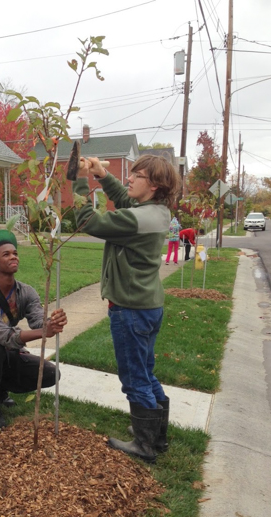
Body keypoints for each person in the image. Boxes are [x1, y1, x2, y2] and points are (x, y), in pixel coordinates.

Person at [72, 154, 181, 464]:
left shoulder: (138, 219)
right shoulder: (156, 211)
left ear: (155, 184)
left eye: (137, 175)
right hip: (147, 305)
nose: (130, 179)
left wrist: (80, 180)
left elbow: (87, 222)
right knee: (145, 373)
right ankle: (157, 438)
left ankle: (145, 446)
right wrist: (103, 175)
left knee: (134, 378)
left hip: (131, 309)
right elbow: (124, 199)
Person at [0, 230, 67, 429]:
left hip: (7, 353)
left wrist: (53, 321)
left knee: (51, 374)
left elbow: (37, 321)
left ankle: (0, 390)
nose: (13, 256)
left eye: (15, 253)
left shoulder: (26, 291)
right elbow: (5, 336)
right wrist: (44, 332)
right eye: (6, 254)